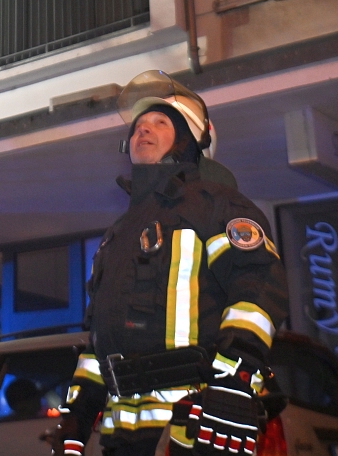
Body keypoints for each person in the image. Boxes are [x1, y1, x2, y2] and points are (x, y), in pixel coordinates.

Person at [54, 71, 288, 456]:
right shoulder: (117, 234)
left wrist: (233, 382)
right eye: (138, 127)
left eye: (160, 123)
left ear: (188, 139)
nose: (142, 131)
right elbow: (100, 338)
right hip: (122, 429)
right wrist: (77, 416)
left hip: (198, 422)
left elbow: (259, 287)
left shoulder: (218, 205)